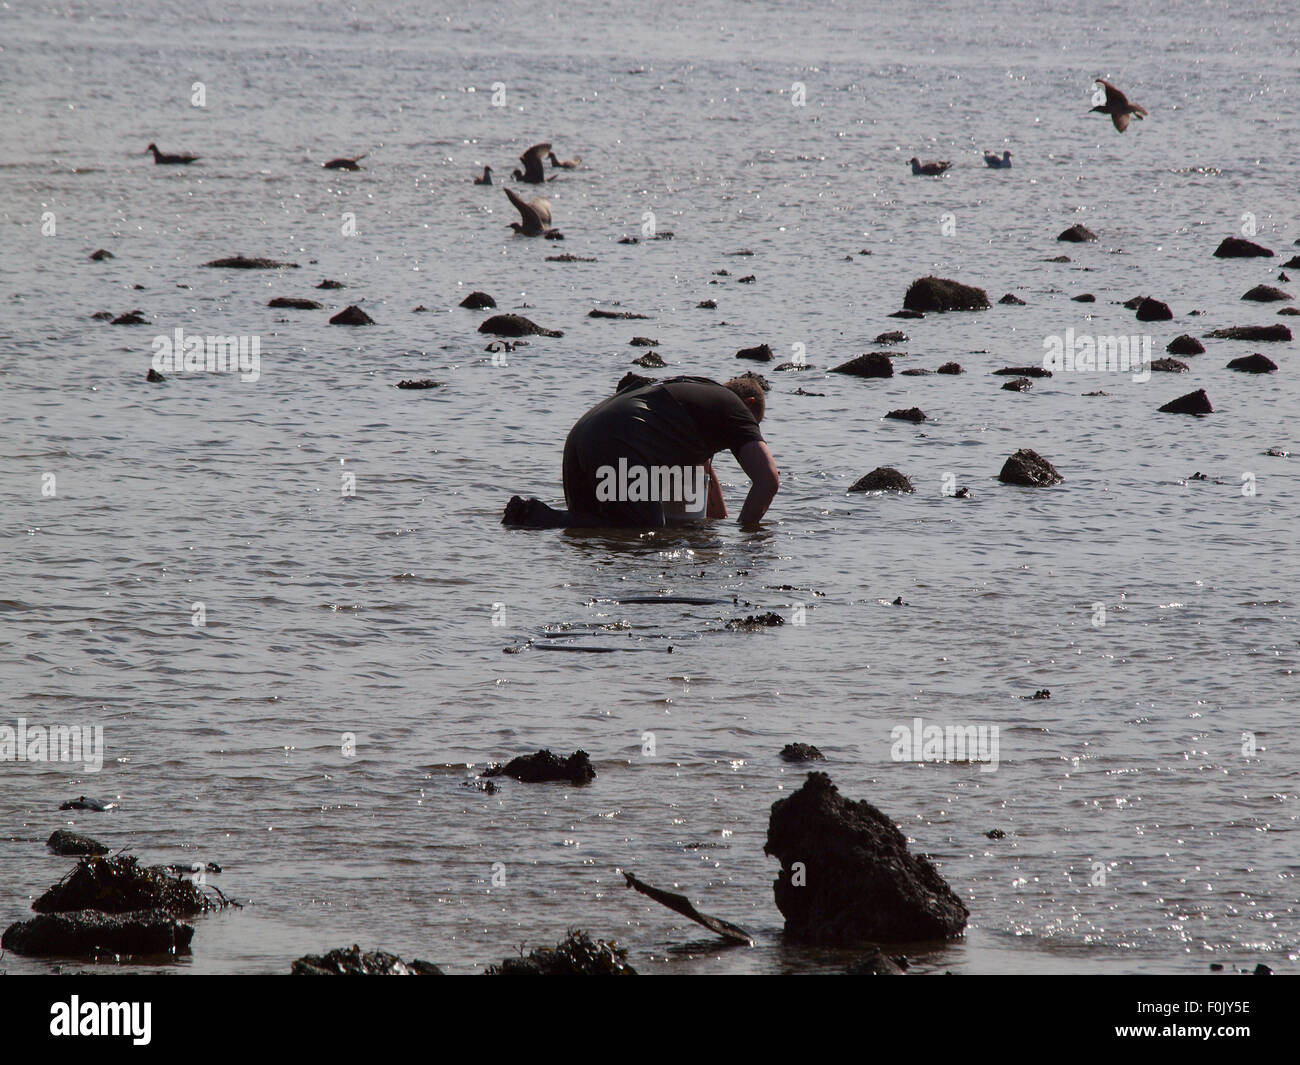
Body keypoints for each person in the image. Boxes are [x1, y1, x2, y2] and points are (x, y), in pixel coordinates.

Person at [502, 376, 779, 529]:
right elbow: (768, 480)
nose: (748, 435)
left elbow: (703, 471)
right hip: (621, 438)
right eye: (752, 428)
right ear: (748, 404)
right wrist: (746, 532)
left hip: (583, 434)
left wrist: (716, 525)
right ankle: (535, 515)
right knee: (643, 529)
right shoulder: (735, 409)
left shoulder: (698, 402)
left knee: (588, 528)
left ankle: (539, 518)